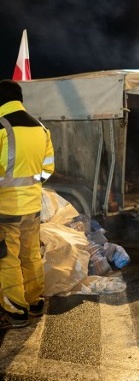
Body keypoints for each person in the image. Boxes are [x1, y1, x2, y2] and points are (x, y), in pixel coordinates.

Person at [0, 80, 55, 330]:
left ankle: (16, 309)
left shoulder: (1, 126)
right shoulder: (41, 128)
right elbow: (47, 169)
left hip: (6, 208)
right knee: (31, 255)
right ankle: (35, 302)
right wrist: (32, 186)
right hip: (32, 207)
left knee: (7, 258)